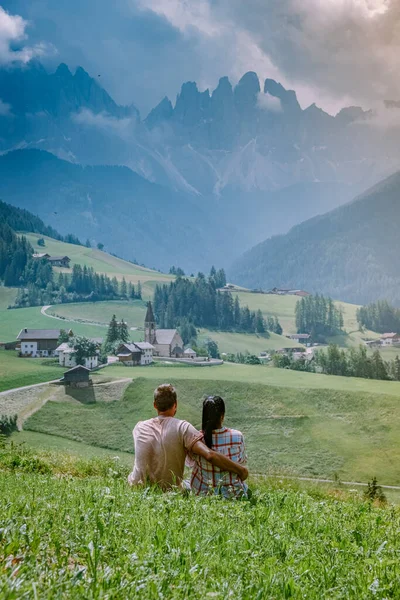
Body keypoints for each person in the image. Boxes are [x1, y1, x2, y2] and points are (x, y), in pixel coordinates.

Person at [128, 384, 248, 490]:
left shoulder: (139, 427)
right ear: (175, 405)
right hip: (169, 491)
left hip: (137, 488)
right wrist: (241, 470)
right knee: (186, 484)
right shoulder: (182, 427)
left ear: (155, 405)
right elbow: (209, 455)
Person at [188, 395, 248, 498]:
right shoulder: (237, 436)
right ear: (222, 416)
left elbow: (191, 462)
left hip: (204, 496)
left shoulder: (197, 439)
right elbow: (242, 461)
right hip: (233, 495)